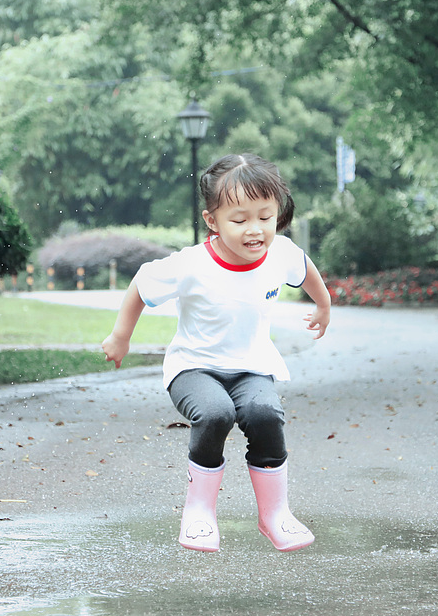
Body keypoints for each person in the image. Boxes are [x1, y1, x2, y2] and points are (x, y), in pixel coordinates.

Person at [102, 153, 332, 552]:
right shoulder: (192, 264)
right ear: (213, 221)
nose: (255, 229)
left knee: (265, 415)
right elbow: (142, 282)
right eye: (239, 220)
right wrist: (121, 336)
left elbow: (305, 268)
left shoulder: (280, 253)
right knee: (215, 413)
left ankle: (275, 514)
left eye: (265, 217)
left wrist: (324, 305)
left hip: (252, 368)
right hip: (193, 368)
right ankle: (199, 512)